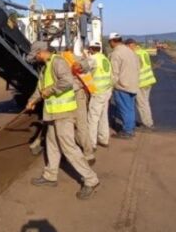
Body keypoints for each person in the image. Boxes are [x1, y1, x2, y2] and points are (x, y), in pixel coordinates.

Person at [26, 41, 100, 200]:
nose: (36, 58)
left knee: (68, 147)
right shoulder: (45, 67)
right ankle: (50, 176)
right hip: (52, 113)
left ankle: (91, 179)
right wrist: (32, 101)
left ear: (41, 52)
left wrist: (50, 90)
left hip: (64, 112)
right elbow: (40, 89)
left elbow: (66, 82)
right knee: (51, 144)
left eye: (36, 55)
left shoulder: (58, 62)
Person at [107, 33, 140, 138]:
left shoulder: (116, 54)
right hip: (133, 84)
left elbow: (114, 73)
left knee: (124, 109)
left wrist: (110, 86)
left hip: (122, 85)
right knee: (130, 108)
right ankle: (130, 128)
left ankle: (127, 131)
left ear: (112, 41)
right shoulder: (131, 52)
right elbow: (138, 67)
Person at [86, 42, 113, 148]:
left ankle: (91, 143)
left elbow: (82, 68)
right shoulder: (104, 58)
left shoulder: (92, 59)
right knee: (103, 116)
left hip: (98, 91)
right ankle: (104, 139)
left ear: (91, 49)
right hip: (107, 90)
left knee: (93, 117)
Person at [126, 38, 157, 130]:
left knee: (141, 104)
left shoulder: (135, 54)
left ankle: (147, 124)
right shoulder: (143, 52)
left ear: (131, 45)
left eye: (127, 47)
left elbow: (135, 69)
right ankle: (149, 122)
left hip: (141, 82)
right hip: (148, 81)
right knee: (145, 102)